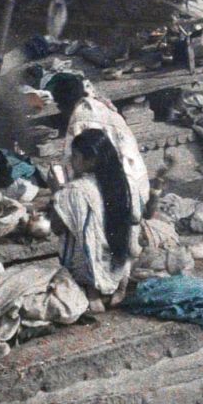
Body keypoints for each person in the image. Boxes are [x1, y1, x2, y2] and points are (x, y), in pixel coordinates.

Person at [51, 129, 139, 305]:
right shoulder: (126, 183)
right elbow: (136, 218)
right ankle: (118, 286)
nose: (71, 160)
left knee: (72, 231)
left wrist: (56, 193)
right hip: (119, 265)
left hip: (89, 268)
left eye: (75, 156)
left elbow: (56, 228)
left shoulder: (75, 190)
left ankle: (92, 291)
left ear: (91, 160)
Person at [49, 72, 151, 222]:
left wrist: (61, 191)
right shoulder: (101, 107)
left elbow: (76, 164)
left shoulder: (79, 120)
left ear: (62, 105)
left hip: (118, 195)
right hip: (137, 187)